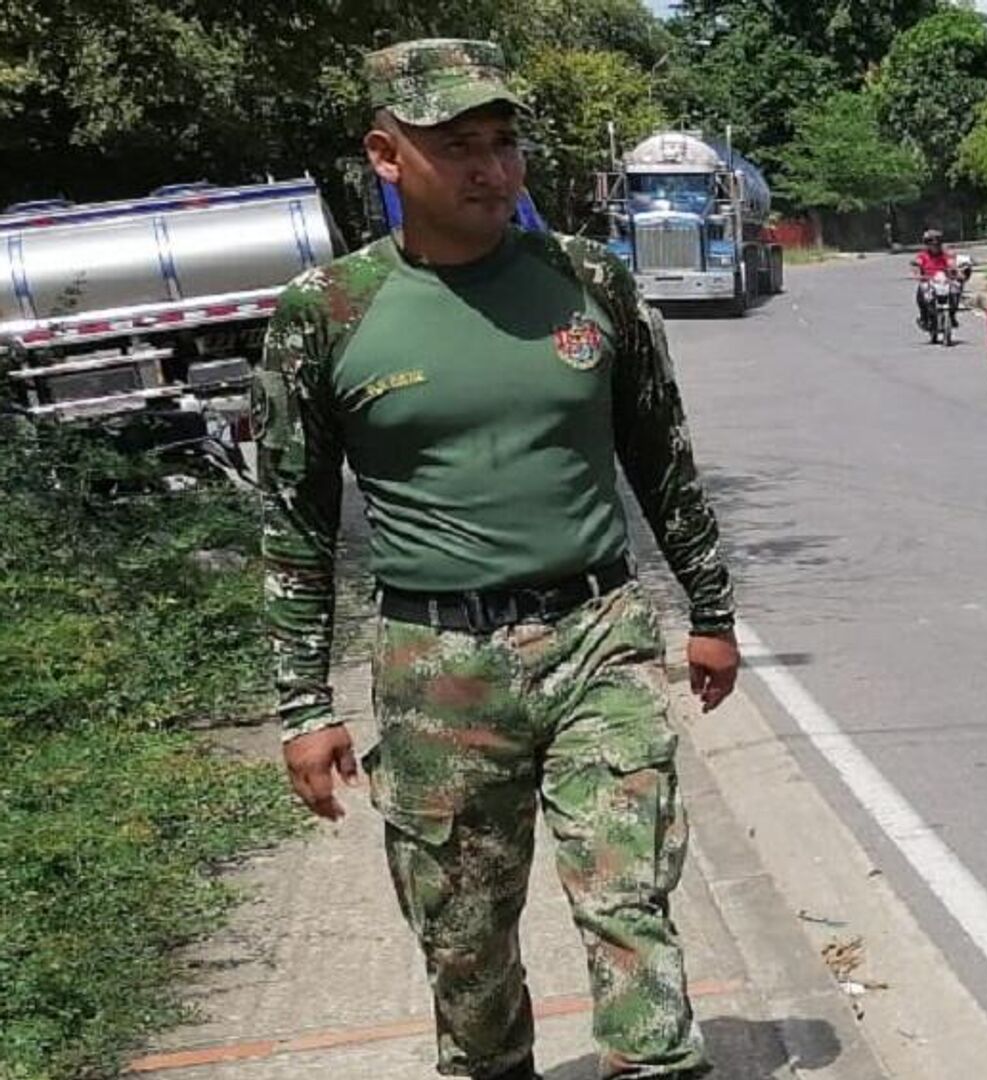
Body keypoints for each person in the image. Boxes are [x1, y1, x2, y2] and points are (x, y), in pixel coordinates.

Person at [255, 39, 738, 1080]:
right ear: (387, 156)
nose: (490, 168)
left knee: (630, 908)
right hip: (436, 666)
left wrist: (710, 610)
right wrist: (303, 703)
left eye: (504, 143)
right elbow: (294, 522)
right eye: (457, 145)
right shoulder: (327, 313)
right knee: (466, 956)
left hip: (597, 636)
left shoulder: (590, 281)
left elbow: (663, 459)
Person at [910, 228, 956, 330]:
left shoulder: (945, 255)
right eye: (931, 243)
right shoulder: (923, 256)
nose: (934, 245)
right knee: (921, 295)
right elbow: (916, 264)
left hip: (944, 281)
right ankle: (924, 318)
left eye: (937, 242)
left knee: (954, 292)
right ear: (927, 244)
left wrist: (955, 271)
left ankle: (952, 316)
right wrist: (917, 274)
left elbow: (952, 264)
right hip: (928, 281)